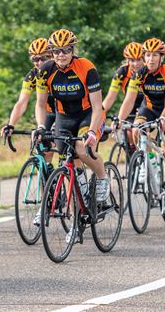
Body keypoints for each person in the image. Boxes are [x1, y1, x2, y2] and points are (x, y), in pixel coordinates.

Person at [35, 29, 109, 217]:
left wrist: (92, 131)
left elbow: (98, 105)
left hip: (88, 114)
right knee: (66, 154)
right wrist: (41, 126)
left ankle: (102, 178)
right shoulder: (45, 71)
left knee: (82, 148)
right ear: (51, 53)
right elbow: (41, 105)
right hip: (64, 116)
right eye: (57, 51)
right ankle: (83, 192)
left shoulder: (86, 67)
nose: (61, 54)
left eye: (66, 50)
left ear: (72, 51)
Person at [117, 37, 165, 214]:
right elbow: (129, 100)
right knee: (136, 130)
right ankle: (149, 161)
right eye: (147, 55)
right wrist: (119, 119)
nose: (150, 59)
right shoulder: (139, 74)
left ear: (162, 57)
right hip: (149, 108)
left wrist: (162, 119)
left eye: (155, 55)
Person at [1, 37, 56, 165]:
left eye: (43, 58)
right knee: (42, 151)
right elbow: (21, 102)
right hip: (47, 113)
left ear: (52, 56)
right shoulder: (32, 76)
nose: (39, 62)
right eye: (35, 59)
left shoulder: (58, 72)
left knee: (62, 145)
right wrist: (11, 124)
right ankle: (49, 181)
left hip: (65, 112)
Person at [102, 41, 145, 154]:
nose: (135, 64)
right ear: (127, 61)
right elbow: (110, 98)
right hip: (130, 105)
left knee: (138, 132)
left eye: (139, 59)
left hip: (146, 105)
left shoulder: (148, 71)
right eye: (132, 60)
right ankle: (133, 157)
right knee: (123, 133)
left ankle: (148, 158)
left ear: (144, 59)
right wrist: (99, 113)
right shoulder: (122, 72)